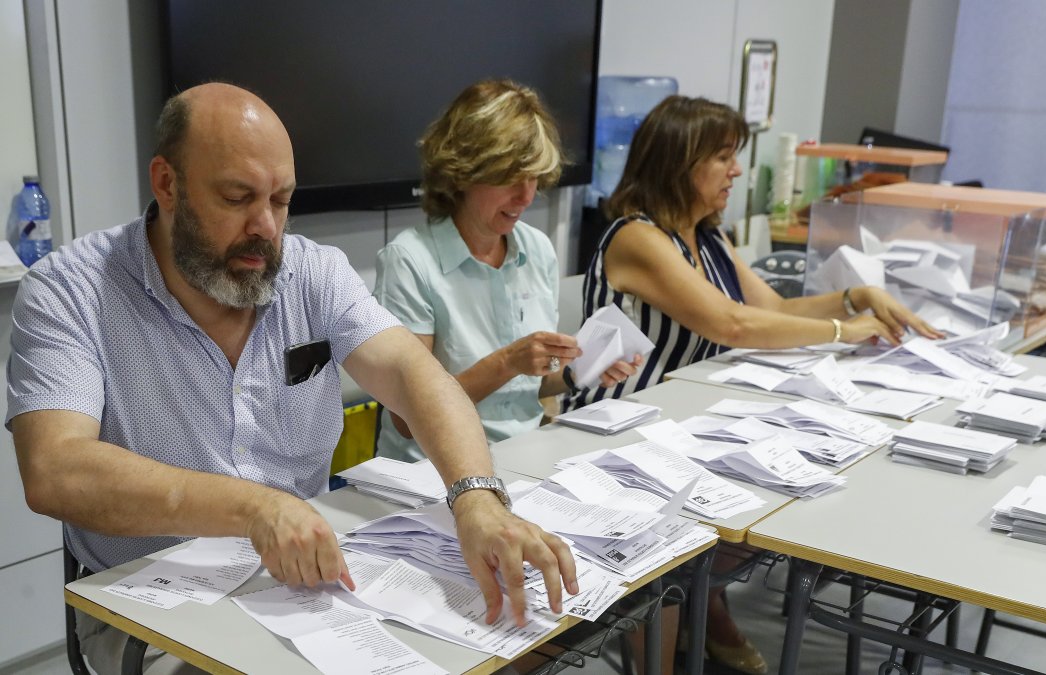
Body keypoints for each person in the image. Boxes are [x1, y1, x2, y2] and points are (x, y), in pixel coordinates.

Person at [8, 83, 575, 675]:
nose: (265, 227)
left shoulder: (311, 272)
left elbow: (413, 374)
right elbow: (56, 470)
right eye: (237, 197)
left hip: (309, 584)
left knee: (488, 640)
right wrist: (255, 509)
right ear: (167, 183)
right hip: (152, 608)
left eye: (280, 200)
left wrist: (476, 500)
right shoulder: (70, 289)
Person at [566, 95, 941, 674]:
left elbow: (775, 307)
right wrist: (844, 327)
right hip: (617, 432)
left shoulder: (707, 237)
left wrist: (855, 296)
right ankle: (682, 628)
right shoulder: (636, 237)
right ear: (679, 162)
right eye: (722, 157)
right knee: (697, 540)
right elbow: (731, 324)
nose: (736, 171)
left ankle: (705, 608)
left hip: (682, 425)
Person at [374, 79, 639, 461]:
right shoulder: (410, 260)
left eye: (534, 176)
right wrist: (507, 362)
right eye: (509, 177)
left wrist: (581, 368)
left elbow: (527, 389)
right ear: (463, 171)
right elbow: (406, 418)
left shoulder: (536, 248)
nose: (526, 195)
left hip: (524, 455)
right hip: (435, 469)